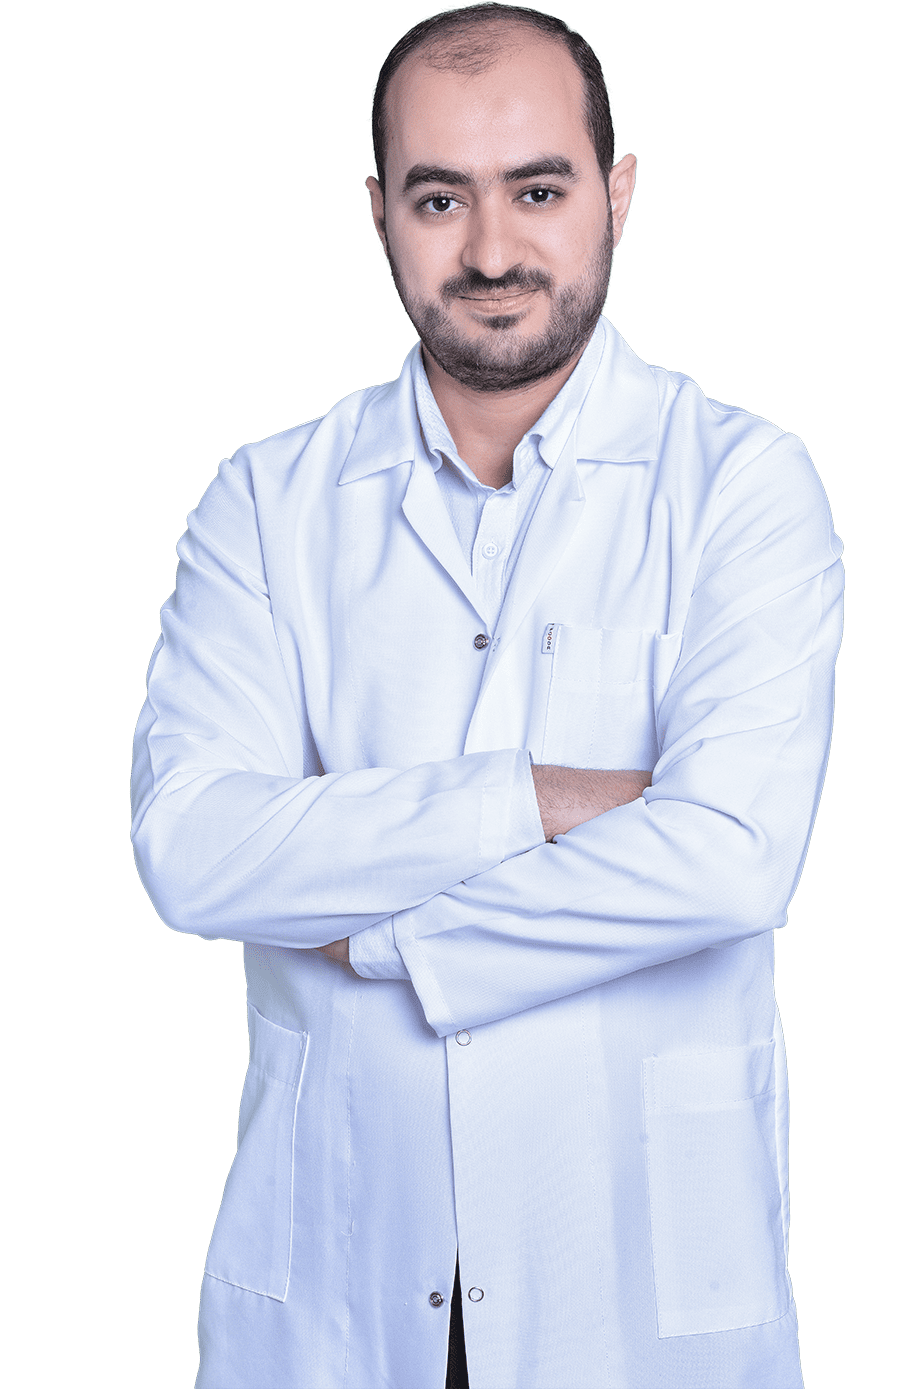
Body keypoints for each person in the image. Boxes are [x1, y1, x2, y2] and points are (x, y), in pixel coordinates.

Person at [131, 5, 843, 1387]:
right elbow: (193, 849)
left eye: (539, 190)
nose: (494, 252)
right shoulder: (267, 504)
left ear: (616, 195)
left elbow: (731, 860)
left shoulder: (742, 485)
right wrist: (538, 798)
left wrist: (381, 937)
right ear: (381, 216)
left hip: (632, 1289)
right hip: (333, 1292)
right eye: (440, 198)